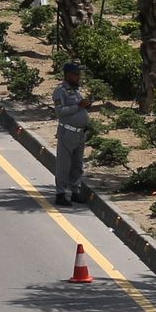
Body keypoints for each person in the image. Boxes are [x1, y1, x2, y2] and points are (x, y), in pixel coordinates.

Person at [51, 60, 95, 206]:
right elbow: (60, 112)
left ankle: (75, 191)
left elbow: (80, 106)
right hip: (67, 133)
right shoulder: (60, 91)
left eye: (79, 75)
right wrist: (78, 106)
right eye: (75, 75)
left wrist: (86, 105)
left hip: (80, 134)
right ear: (68, 75)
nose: (78, 77)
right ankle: (61, 193)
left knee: (77, 165)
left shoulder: (76, 90)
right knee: (64, 165)